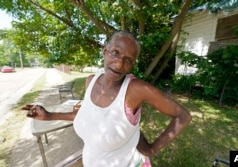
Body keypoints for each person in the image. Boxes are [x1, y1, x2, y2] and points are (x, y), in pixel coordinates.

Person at [22, 31, 192, 167]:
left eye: (128, 60)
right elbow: (86, 115)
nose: (119, 64)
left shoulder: (136, 90)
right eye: (115, 53)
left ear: (132, 65)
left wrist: (152, 149)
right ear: (105, 51)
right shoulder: (91, 81)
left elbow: (183, 116)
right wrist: (50, 116)